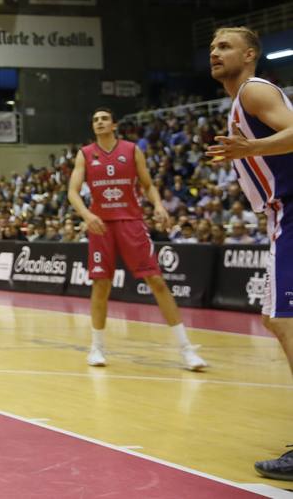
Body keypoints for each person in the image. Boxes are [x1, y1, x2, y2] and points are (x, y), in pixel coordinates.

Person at [203, 26, 293, 482]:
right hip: (284, 212)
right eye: (213, 47)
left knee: (284, 320)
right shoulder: (242, 101)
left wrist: (251, 149)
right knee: (281, 321)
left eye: (225, 47)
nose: (215, 53)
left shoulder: (255, 90)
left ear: (251, 54)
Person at [66, 107, 206, 371]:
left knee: (156, 280)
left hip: (131, 221)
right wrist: (86, 215)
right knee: (101, 285)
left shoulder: (131, 150)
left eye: (104, 118)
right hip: (100, 225)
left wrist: (159, 205)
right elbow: (72, 192)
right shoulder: (85, 154)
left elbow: (148, 184)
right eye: (95, 119)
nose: (99, 122)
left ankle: (187, 350)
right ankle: (96, 347)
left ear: (114, 124)